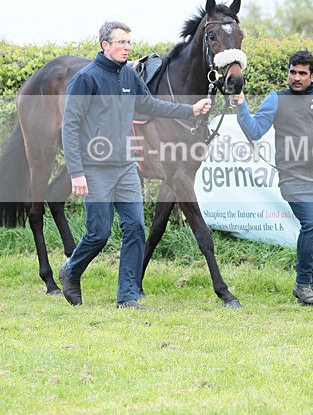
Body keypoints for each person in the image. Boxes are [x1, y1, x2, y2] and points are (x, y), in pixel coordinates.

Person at [59, 21, 212, 311]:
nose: (127, 47)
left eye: (129, 42)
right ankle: (71, 270)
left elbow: (151, 105)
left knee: (135, 228)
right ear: (105, 45)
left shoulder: (129, 75)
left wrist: (189, 110)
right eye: (121, 43)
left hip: (126, 166)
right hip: (94, 168)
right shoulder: (85, 79)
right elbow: (70, 127)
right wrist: (76, 172)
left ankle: (127, 296)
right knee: (99, 233)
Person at [233, 50, 313, 306]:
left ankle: (307, 285)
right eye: (292, 72)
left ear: (312, 75)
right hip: (292, 176)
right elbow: (254, 131)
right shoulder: (276, 99)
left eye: (302, 73)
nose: (296, 78)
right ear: (288, 72)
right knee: (311, 224)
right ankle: (303, 285)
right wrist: (241, 105)